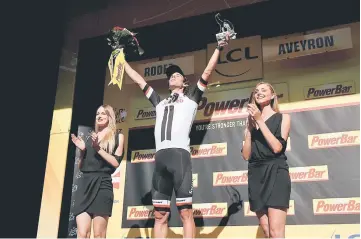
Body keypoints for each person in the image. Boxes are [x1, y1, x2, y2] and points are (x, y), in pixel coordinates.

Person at [124, 35, 230, 238]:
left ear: (184, 81)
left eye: (176, 74)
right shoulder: (159, 103)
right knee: (160, 215)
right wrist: (122, 62)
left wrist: (218, 47)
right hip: (161, 159)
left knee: (185, 212)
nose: (172, 76)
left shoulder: (191, 99)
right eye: (170, 75)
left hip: (180, 158)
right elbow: (139, 81)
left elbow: (207, 72)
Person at [241, 82, 291, 238]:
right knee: (267, 232)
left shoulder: (283, 118)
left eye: (264, 90)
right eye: (256, 91)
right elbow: (246, 155)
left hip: (276, 172)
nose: (259, 93)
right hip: (256, 175)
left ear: (272, 96)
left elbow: (277, 147)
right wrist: (249, 130)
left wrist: (259, 120)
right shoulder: (250, 121)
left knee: (276, 232)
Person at [71, 104, 124, 238]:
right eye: (97, 114)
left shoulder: (118, 137)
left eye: (103, 114)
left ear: (110, 117)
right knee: (82, 233)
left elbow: (116, 162)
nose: (99, 116)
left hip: (102, 184)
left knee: (99, 234)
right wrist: (82, 151)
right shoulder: (90, 137)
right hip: (85, 185)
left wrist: (98, 148)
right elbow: (82, 167)